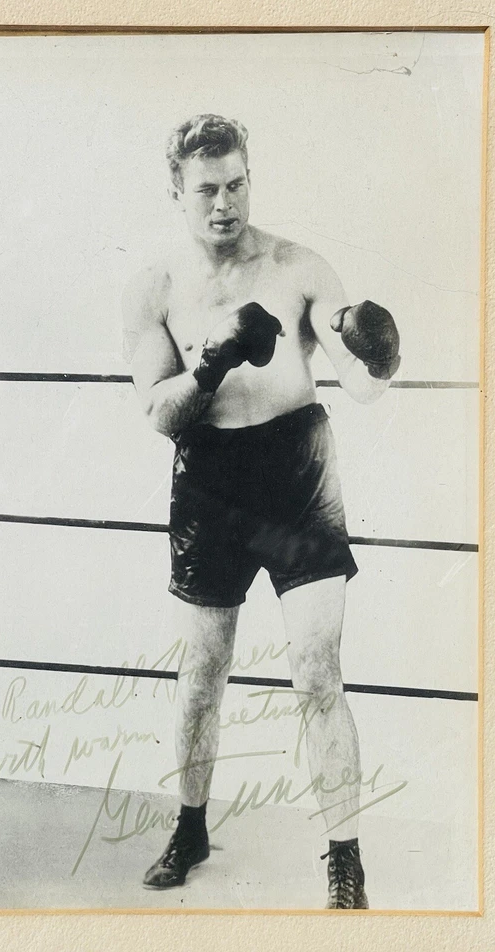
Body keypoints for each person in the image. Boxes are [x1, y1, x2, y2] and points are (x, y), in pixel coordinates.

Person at [121, 114, 400, 909]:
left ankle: (344, 855)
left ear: (251, 180)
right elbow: (159, 416)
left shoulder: (298, 266)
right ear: (176, 190)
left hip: (296, 472)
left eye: (237, 184)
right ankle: (190, 824)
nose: (224, 204)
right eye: (207, 189)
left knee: (317, 671)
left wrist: (377, 349)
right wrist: (211, 362)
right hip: (209, 477)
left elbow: (361, 381)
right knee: (202, 676)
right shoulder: (154, 287)